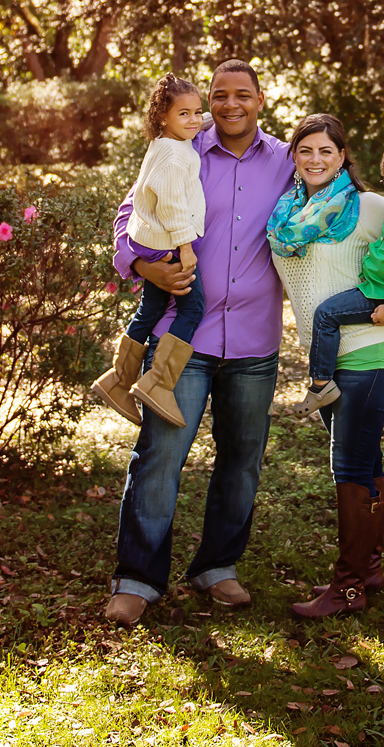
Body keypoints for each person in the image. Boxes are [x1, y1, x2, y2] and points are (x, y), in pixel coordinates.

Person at [101, 61, 296, 627]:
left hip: (255, 337)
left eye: (242, 95)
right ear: (205, 102)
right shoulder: (179, 147)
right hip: (183, 340)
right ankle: (137, 578)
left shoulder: (286, 160)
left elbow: (330, 208)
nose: (229, 105)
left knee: (241, 461)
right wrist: (141, 265)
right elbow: (130, 214)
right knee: (160, 457)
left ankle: (218, 566)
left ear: (260, 99)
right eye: (218, 96)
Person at [266, 117, 384, 619]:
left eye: (326, 150)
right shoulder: (285, 214)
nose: (315, 159)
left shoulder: (373, 207)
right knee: (367, 464)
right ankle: (370, 565)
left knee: (350, 469)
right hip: (325, 359)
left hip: (370, 355)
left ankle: (346, 588)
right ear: (293, 156)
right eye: (304, 150)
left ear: (343, 157)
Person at [275, 138, 384, 414]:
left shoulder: (379, 209)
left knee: (326, 313)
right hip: (341, 340)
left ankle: (320, 385)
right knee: (350, 455)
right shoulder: (286, 213)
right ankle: (321, 382)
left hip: (371, 340)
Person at [92, 76, 209, 429]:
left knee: (153, 306)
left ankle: (117, 379)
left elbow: (193, 122)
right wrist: (186, 248)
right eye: (184, 114)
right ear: (162, 117)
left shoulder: (165, 141)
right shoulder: (174, 158)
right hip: (167, 244)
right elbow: (172, 205)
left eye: (198, 113)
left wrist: (207, 118)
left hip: (150, 239)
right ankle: (157, 383)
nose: (193, 120)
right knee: (193, 306)